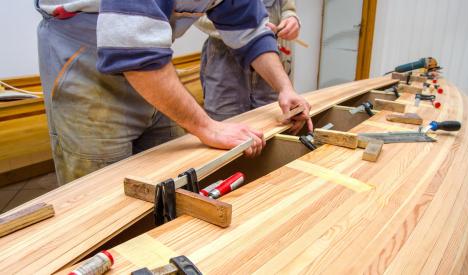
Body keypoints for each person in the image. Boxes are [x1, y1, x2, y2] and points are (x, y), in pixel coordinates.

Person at [35, 0, 313, 184]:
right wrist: (207, 127)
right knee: (101, 192)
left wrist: (284, 88)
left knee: (175, 176)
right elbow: (136, 52)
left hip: (151, 57)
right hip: (82, 51)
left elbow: (250, 32)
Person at [196, 0, 301, 121]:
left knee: (275, 121)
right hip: (226, 61)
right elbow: (199, 14)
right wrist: (250, 30)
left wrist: (291, 17)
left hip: (272, 59)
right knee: (226, 122)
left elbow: (288, 7)